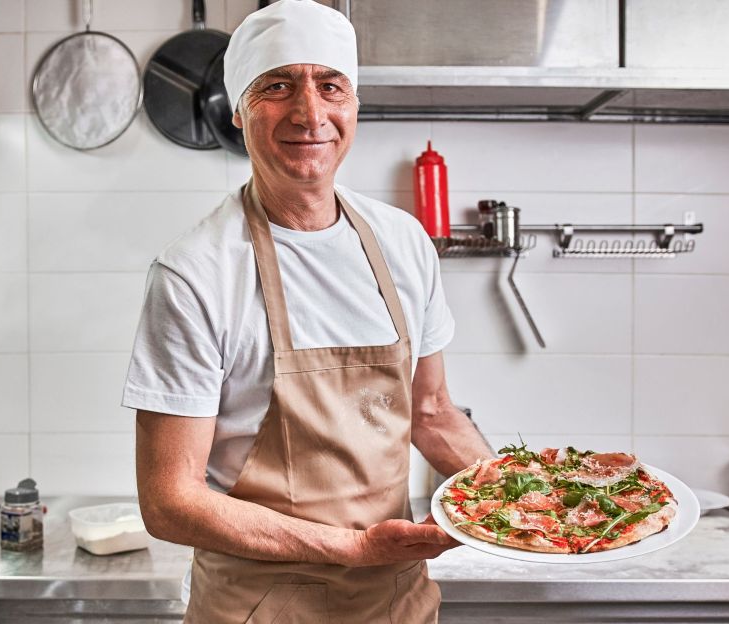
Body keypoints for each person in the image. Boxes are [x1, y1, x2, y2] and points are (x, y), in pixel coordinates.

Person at [122, 1, 494, 621]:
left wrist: (522, 500)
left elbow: (431, 411)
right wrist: (352, 548)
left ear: (354, 106)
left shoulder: (403, 242)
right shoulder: (195, 274)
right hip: (260, 607)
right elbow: (169, 502)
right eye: (277, 86)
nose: (310, 113)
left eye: (330, 86)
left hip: (397, 602)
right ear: (238, 111)